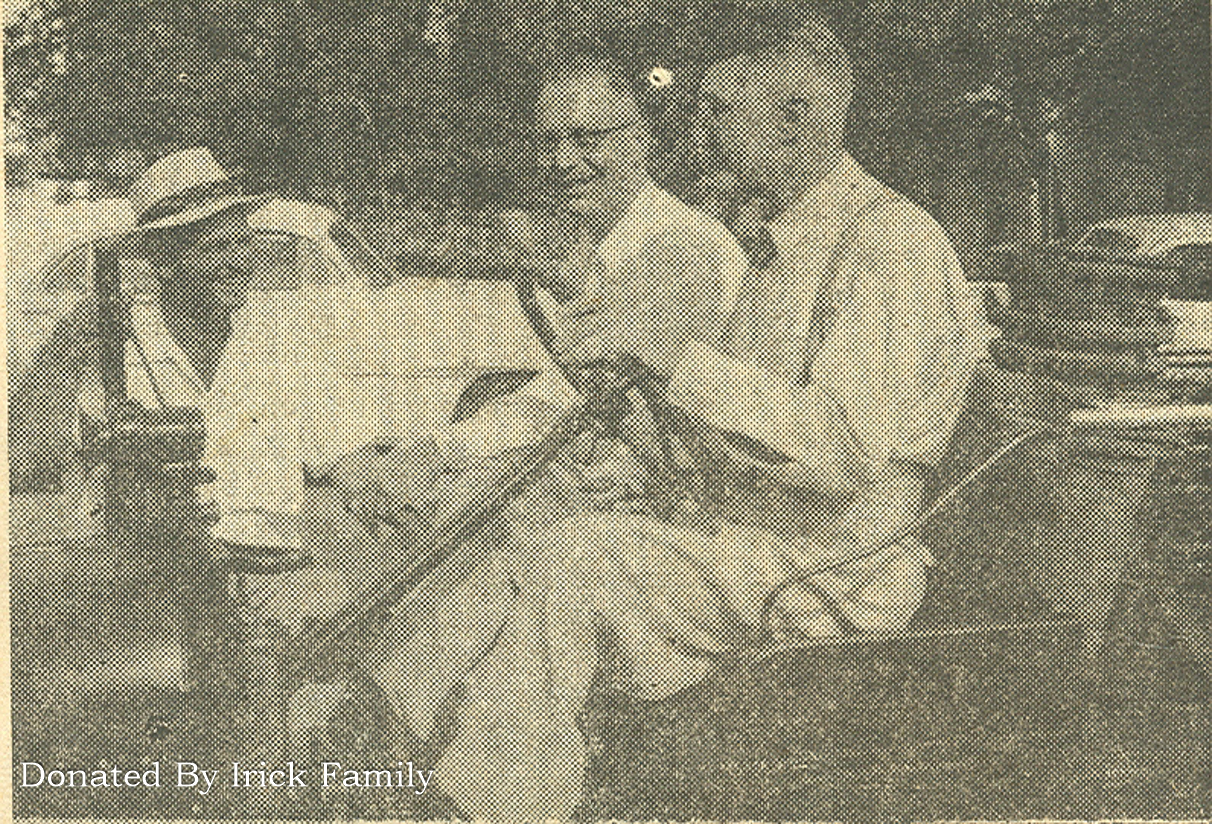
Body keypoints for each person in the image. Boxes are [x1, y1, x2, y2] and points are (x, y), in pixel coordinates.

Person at [316, 55, 747, 819]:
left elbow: (630, 418)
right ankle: (397, 733)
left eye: (590, 138)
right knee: (452, 501)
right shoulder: (601, 248)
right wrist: (430, 453)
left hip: (676, 507)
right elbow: (557, 397)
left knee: (489, 519)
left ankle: (411, 746)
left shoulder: (679, 250)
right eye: (550, 141)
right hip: (609, 478)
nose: (564, 161)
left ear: (645, 137)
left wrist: (445, 463)